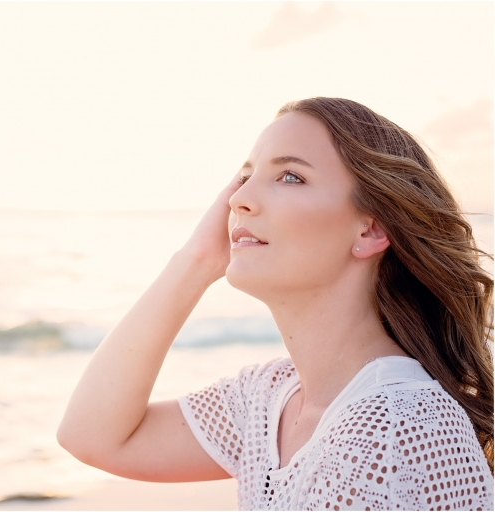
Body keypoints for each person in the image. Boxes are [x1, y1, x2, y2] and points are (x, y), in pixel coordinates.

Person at [57, 97, 494, 510]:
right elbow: (93, 437)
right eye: (244, 178)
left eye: (290, 176)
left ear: (370, 231)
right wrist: (195, 261)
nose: (236, 199)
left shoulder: (396, 431)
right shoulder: (270, 400)